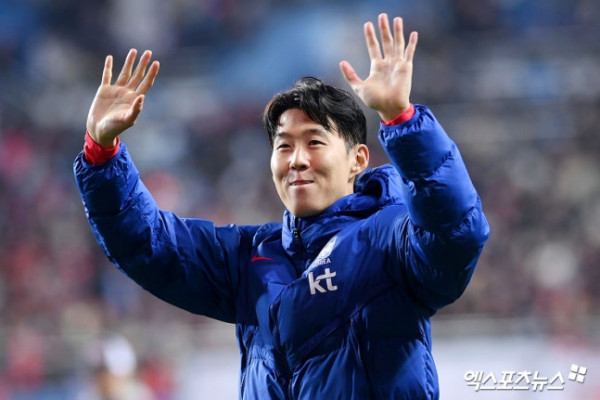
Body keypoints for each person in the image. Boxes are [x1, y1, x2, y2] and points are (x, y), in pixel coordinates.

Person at [74, 13, 489, 399]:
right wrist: (101, 151)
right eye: (284, 146)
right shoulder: (249, 259)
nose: (297, 160)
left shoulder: (391, 240)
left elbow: (457, 230)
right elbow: (146, 243)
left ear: (357, 160)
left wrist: (402, 120)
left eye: (314, 142)